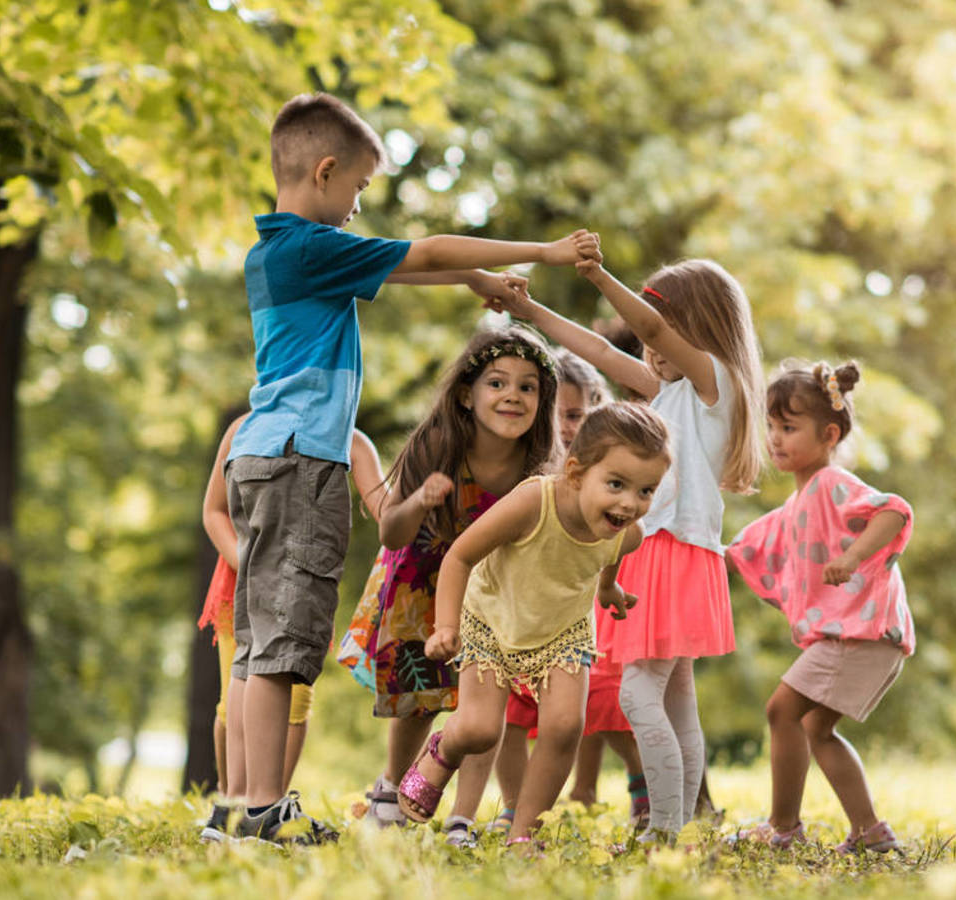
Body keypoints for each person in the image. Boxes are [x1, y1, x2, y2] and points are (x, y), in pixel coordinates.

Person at [223, 90, 598, 844]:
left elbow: (411, 268)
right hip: (302, 462)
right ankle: (261, 809)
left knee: (263, 642)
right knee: (287, 645)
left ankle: (243, 805)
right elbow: (422, 251)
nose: (360, 205)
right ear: (325, 171)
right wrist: (544, 253)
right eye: (359, 187)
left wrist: (471, 283)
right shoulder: (309, 246)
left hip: (264, 456)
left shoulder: (276, 253)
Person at [487, 257, 764, 840]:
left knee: (639, 697)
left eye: (659, 332)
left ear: (703, 328)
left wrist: (597, 275)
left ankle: (663, 831)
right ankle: (680, 828)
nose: (648, 347)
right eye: (646, 338)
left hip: (673, 554)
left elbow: (659, 332)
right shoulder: (670, 394)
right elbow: (601, 353)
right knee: (677, 701)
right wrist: (528, 311)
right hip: (658, 554)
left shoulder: (716, 384)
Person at [394, 403, 673, 846]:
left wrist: (607, 590)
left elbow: (612, 554)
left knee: (565, 727)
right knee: (481, 729)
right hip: (492, 619)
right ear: (577, 472)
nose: (629, 503)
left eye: (646, 491)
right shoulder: (533, 501)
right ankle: (442, 748)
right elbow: (460, 556)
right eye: (616, 484)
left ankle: (524, 835)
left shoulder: (628, 532)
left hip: (564, 631)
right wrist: (445, 626)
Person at [334, 326, 559, 846]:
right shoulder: (439, 444)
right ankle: (390, 791)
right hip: (423, 579)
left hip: (493, 590)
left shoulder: (539, 463)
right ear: (467, 393)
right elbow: (391, 531)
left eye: (528, 387)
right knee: (421, 697)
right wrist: (419, 500)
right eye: (497, 383)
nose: (512, 396)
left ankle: (462, 817)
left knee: (484, 703)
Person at [727, 361, 916, 854]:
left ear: (828, 433)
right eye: (771, 426)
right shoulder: (798, 502)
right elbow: (747, 547)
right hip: (862, 635)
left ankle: (783, 827)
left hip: (862, 632)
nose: (775, 438)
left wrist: (852, 556)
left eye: (788, 428)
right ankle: (871, 832)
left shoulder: (832, 483)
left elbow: (893, 510)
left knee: (781, 710)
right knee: (814, 728)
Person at [197, 415, 386, 842]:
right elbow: (213, 512)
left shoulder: (349, 439)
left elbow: (385, 506)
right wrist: (250, 567)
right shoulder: (243, 429)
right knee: (234, 701)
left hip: (301, 588)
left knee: (294, 698)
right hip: (240, 588)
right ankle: (231, 803)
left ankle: (269, 805)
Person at [486, 352, 653, 834]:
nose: (564, 426)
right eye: (557, 413)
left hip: (574, 618)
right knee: (512, 716)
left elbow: (622, 537)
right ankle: (517, 808)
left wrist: (608, 585)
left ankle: (640, 781)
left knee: (600, 706)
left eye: (577, 415)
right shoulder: (524, 469)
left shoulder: (607, 479)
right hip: (515, 615)